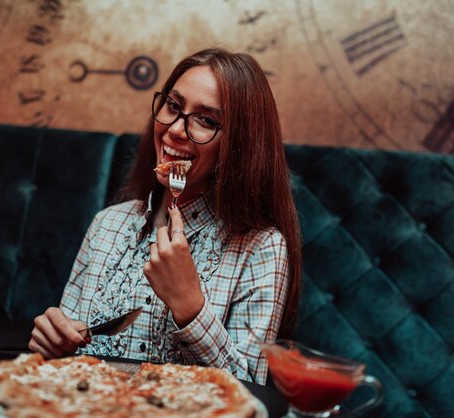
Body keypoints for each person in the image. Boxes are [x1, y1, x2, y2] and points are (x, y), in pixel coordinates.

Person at [28, 47, 302, 384]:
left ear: (239, 145)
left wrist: (190, 307)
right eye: (173, 106)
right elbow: (65, 358)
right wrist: (53, 344)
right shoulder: (107, 224)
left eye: (206, 120)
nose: (174, 129)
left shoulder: (261, 248)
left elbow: (250, 394)